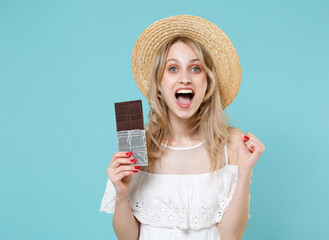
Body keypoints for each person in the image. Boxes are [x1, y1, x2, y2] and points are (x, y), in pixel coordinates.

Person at [100, 15, 265, 240]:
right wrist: (121, 194)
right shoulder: (138, 145)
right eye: (173, 69)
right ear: (159, 83)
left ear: (208, 83)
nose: (185, 79)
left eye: (195, 69)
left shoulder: (233, 143)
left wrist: (245, 171)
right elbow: (127, 238)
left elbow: (231, 237)